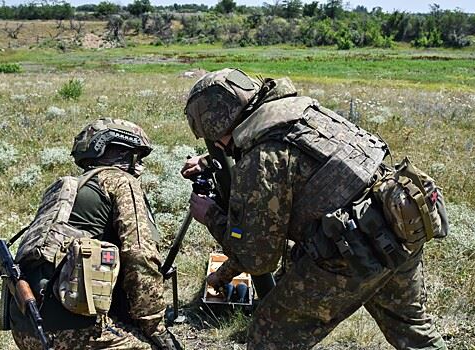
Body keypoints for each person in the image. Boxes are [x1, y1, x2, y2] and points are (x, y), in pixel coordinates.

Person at [182, 68, 449, 349]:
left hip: (351, 252)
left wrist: (211, 215)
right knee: (413, 330)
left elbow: (259, 258)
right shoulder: (301, 113)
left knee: (269, 337)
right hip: (399, 225)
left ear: (218, 128)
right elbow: (301, 161)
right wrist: (215, 163)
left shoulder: (262, 157)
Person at [10, 118, 179, 350]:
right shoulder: (120, 181)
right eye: (136, 157)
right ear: (123, 153)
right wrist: (156, 328)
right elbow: (140, 255)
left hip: (26, 326)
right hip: (73, 330)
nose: (138, 165)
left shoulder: (67, 189)